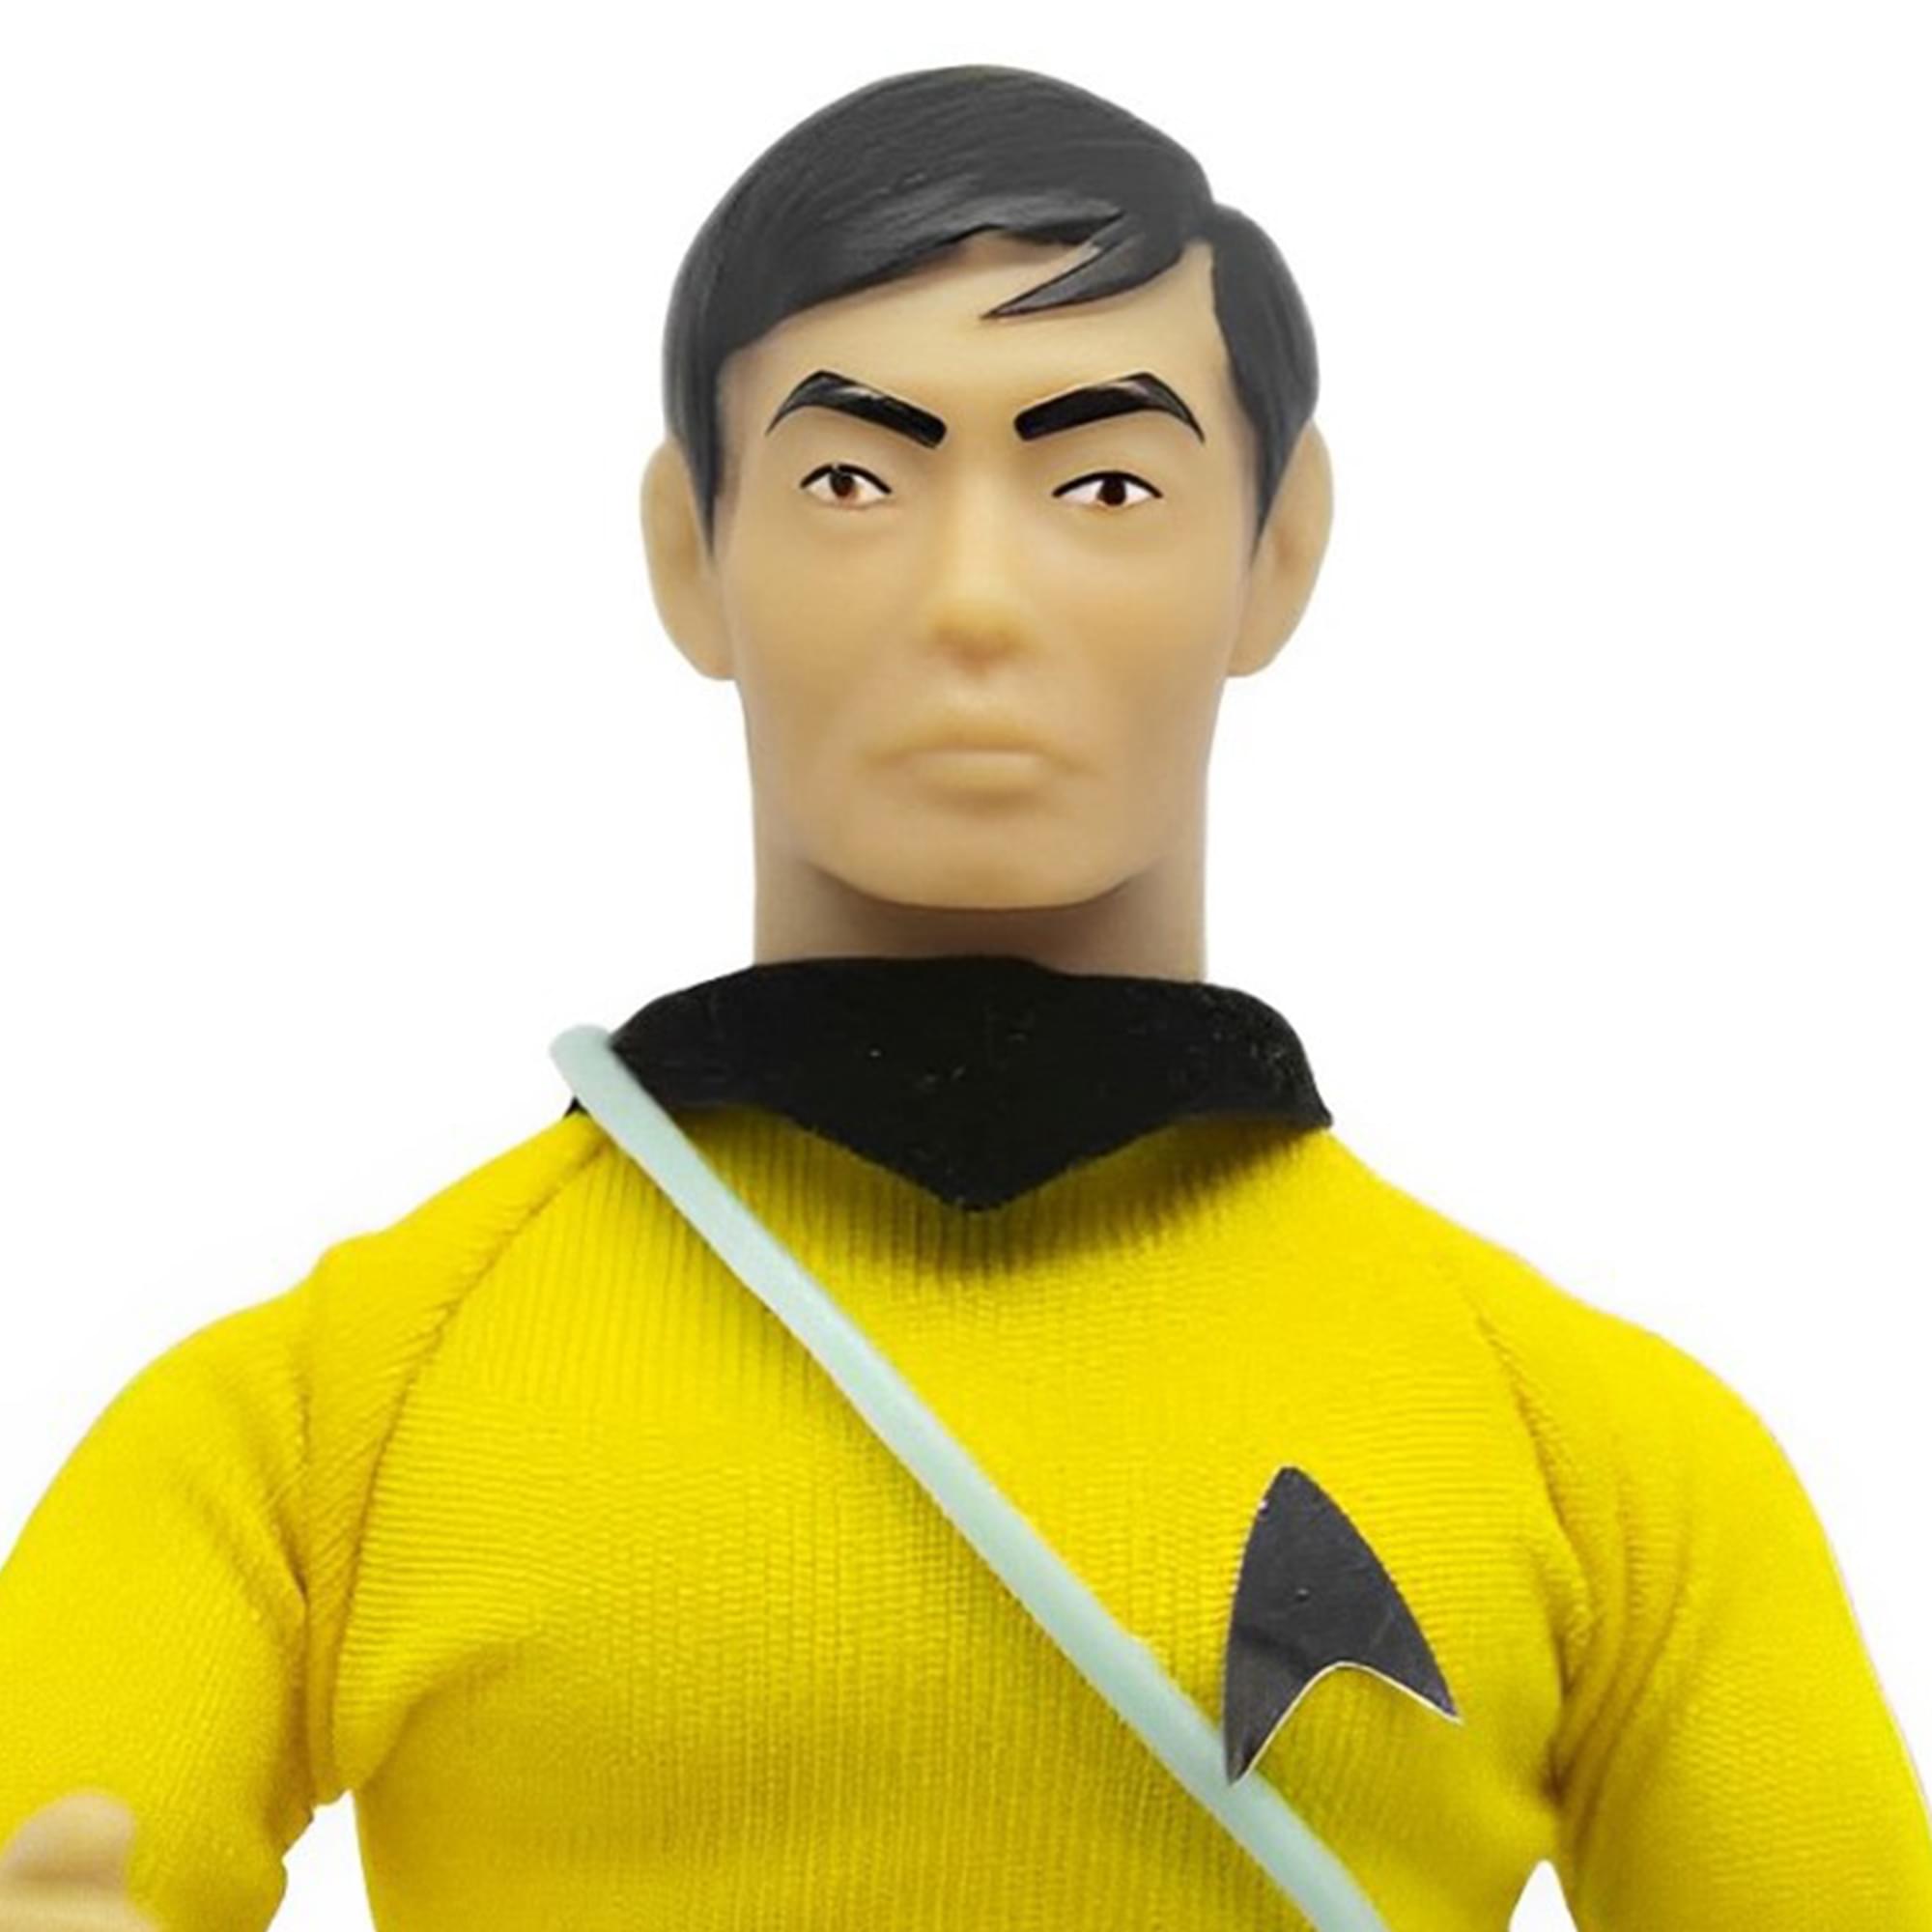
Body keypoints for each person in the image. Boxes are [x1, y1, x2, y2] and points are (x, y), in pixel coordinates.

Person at [3, 62, 1928, 1932]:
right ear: (690, 553)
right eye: (852, 478)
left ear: (1279, 550)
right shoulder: (319, 1427)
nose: (975, 600)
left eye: (1106, 482)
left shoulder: (1604, 1459)